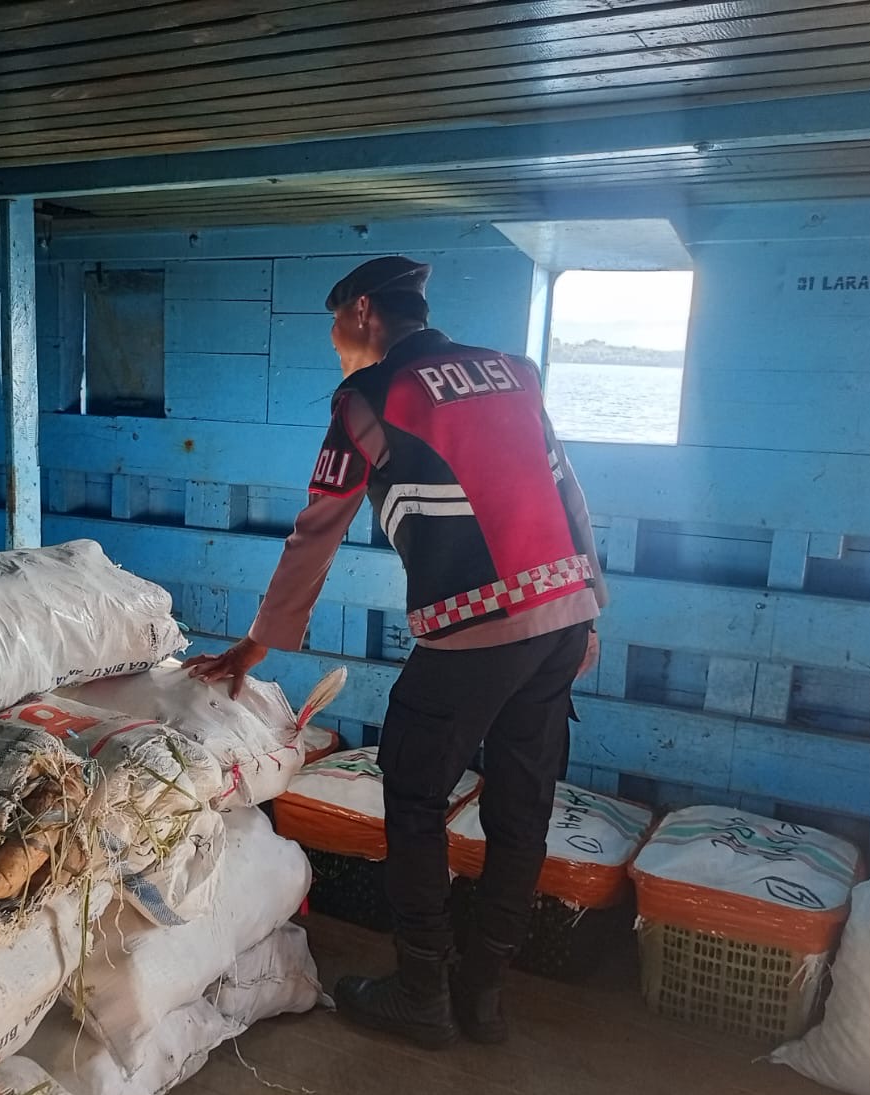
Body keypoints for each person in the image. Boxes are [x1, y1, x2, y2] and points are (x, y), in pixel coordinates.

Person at [187, 256, 606, 1048]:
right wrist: (590, 611)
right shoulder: (514, 372)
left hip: (473, 630)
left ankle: (422, 992)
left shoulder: (367, 398)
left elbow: (318, 528)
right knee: (523, 808)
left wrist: (257, 644)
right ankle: (483, 995)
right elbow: (567, 491)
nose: (334, 341)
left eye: (335, 324)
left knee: (413, 796)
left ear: (363, 313)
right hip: (560, 618)